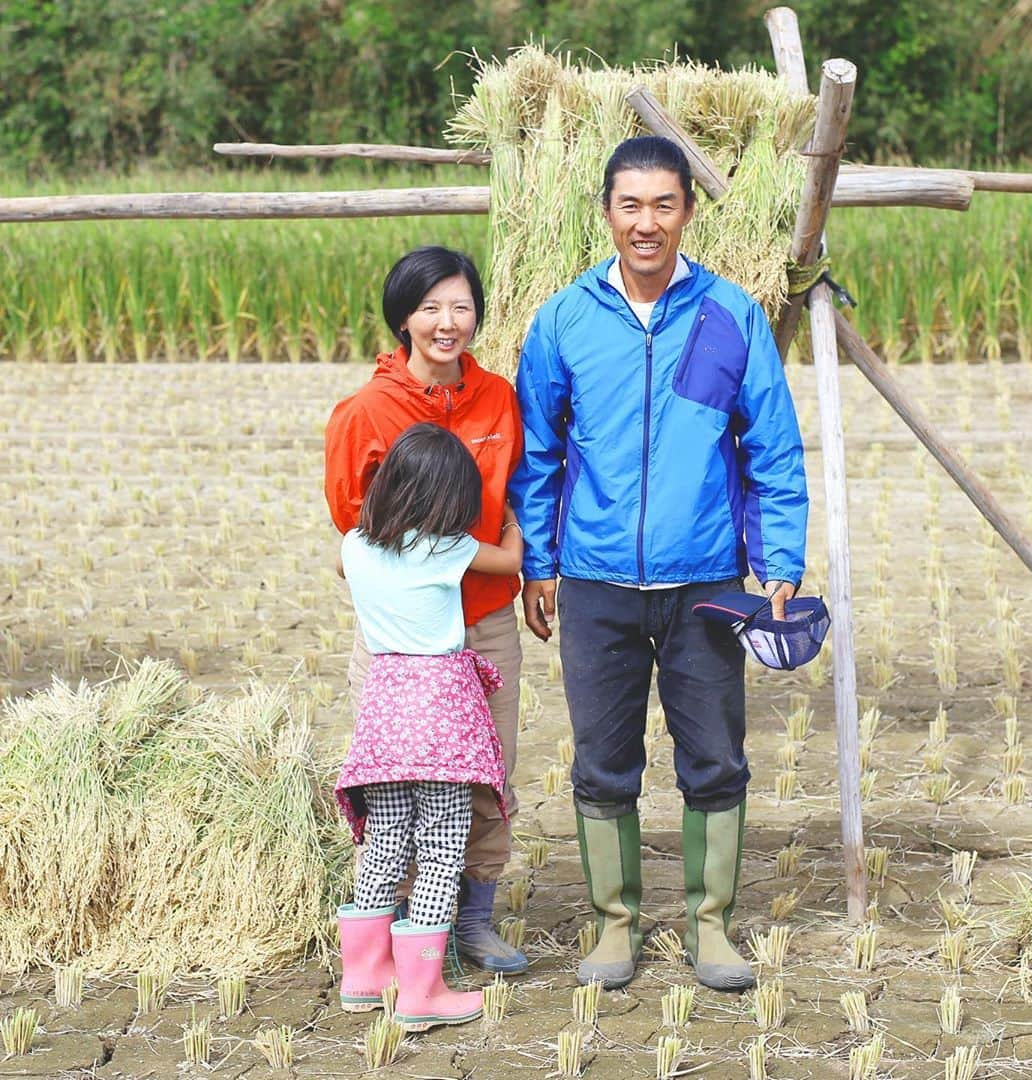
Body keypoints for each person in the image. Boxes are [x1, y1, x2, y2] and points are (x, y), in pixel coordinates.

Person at [509, 136, 808, 992]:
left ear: (687, 211)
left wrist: (778, 558)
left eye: (663, 204)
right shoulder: (565, 319)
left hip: (706, 578)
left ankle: (711, 926)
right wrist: (540, 561)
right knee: (603, 761)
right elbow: (539, 454)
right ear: (606, 212)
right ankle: (614, 926)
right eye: (630, 205)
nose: (647, 222)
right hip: (597, 581)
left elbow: (774, 450)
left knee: (714, 756)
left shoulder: (730, 316)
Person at [324, 246, 527, 974]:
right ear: (403, 318)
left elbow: (522, 490)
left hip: (486, 624)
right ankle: (412, 927)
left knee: (488, 774)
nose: (448, 323)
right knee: (400, 789)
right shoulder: (365, 411)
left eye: (462, 307)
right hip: (401, 648)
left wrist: (535, 576)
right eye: (430, 308)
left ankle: (474, 918)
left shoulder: (499, 397)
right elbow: (352, 522)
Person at [334, 422, 523, 1031]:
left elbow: (349, 572)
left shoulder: (355, 547)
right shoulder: (448, 548)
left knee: (386, 838)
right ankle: (423, 993)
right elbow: (510, 560)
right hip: (440, 709)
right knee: (442, 846)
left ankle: (364, 978)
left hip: (385, 710)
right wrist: (512, 518)